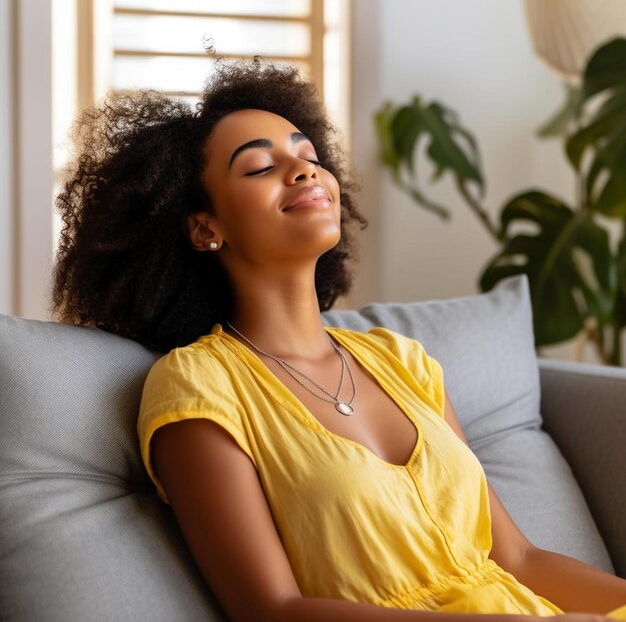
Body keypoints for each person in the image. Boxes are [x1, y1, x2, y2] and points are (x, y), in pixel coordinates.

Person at [51, 58, 626, 622]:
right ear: (205, 228)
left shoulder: (403, 361)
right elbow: (270, 610)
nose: (303, 172)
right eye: (258, 168)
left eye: (309, 156)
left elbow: (519, 559)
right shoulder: (198, 387)